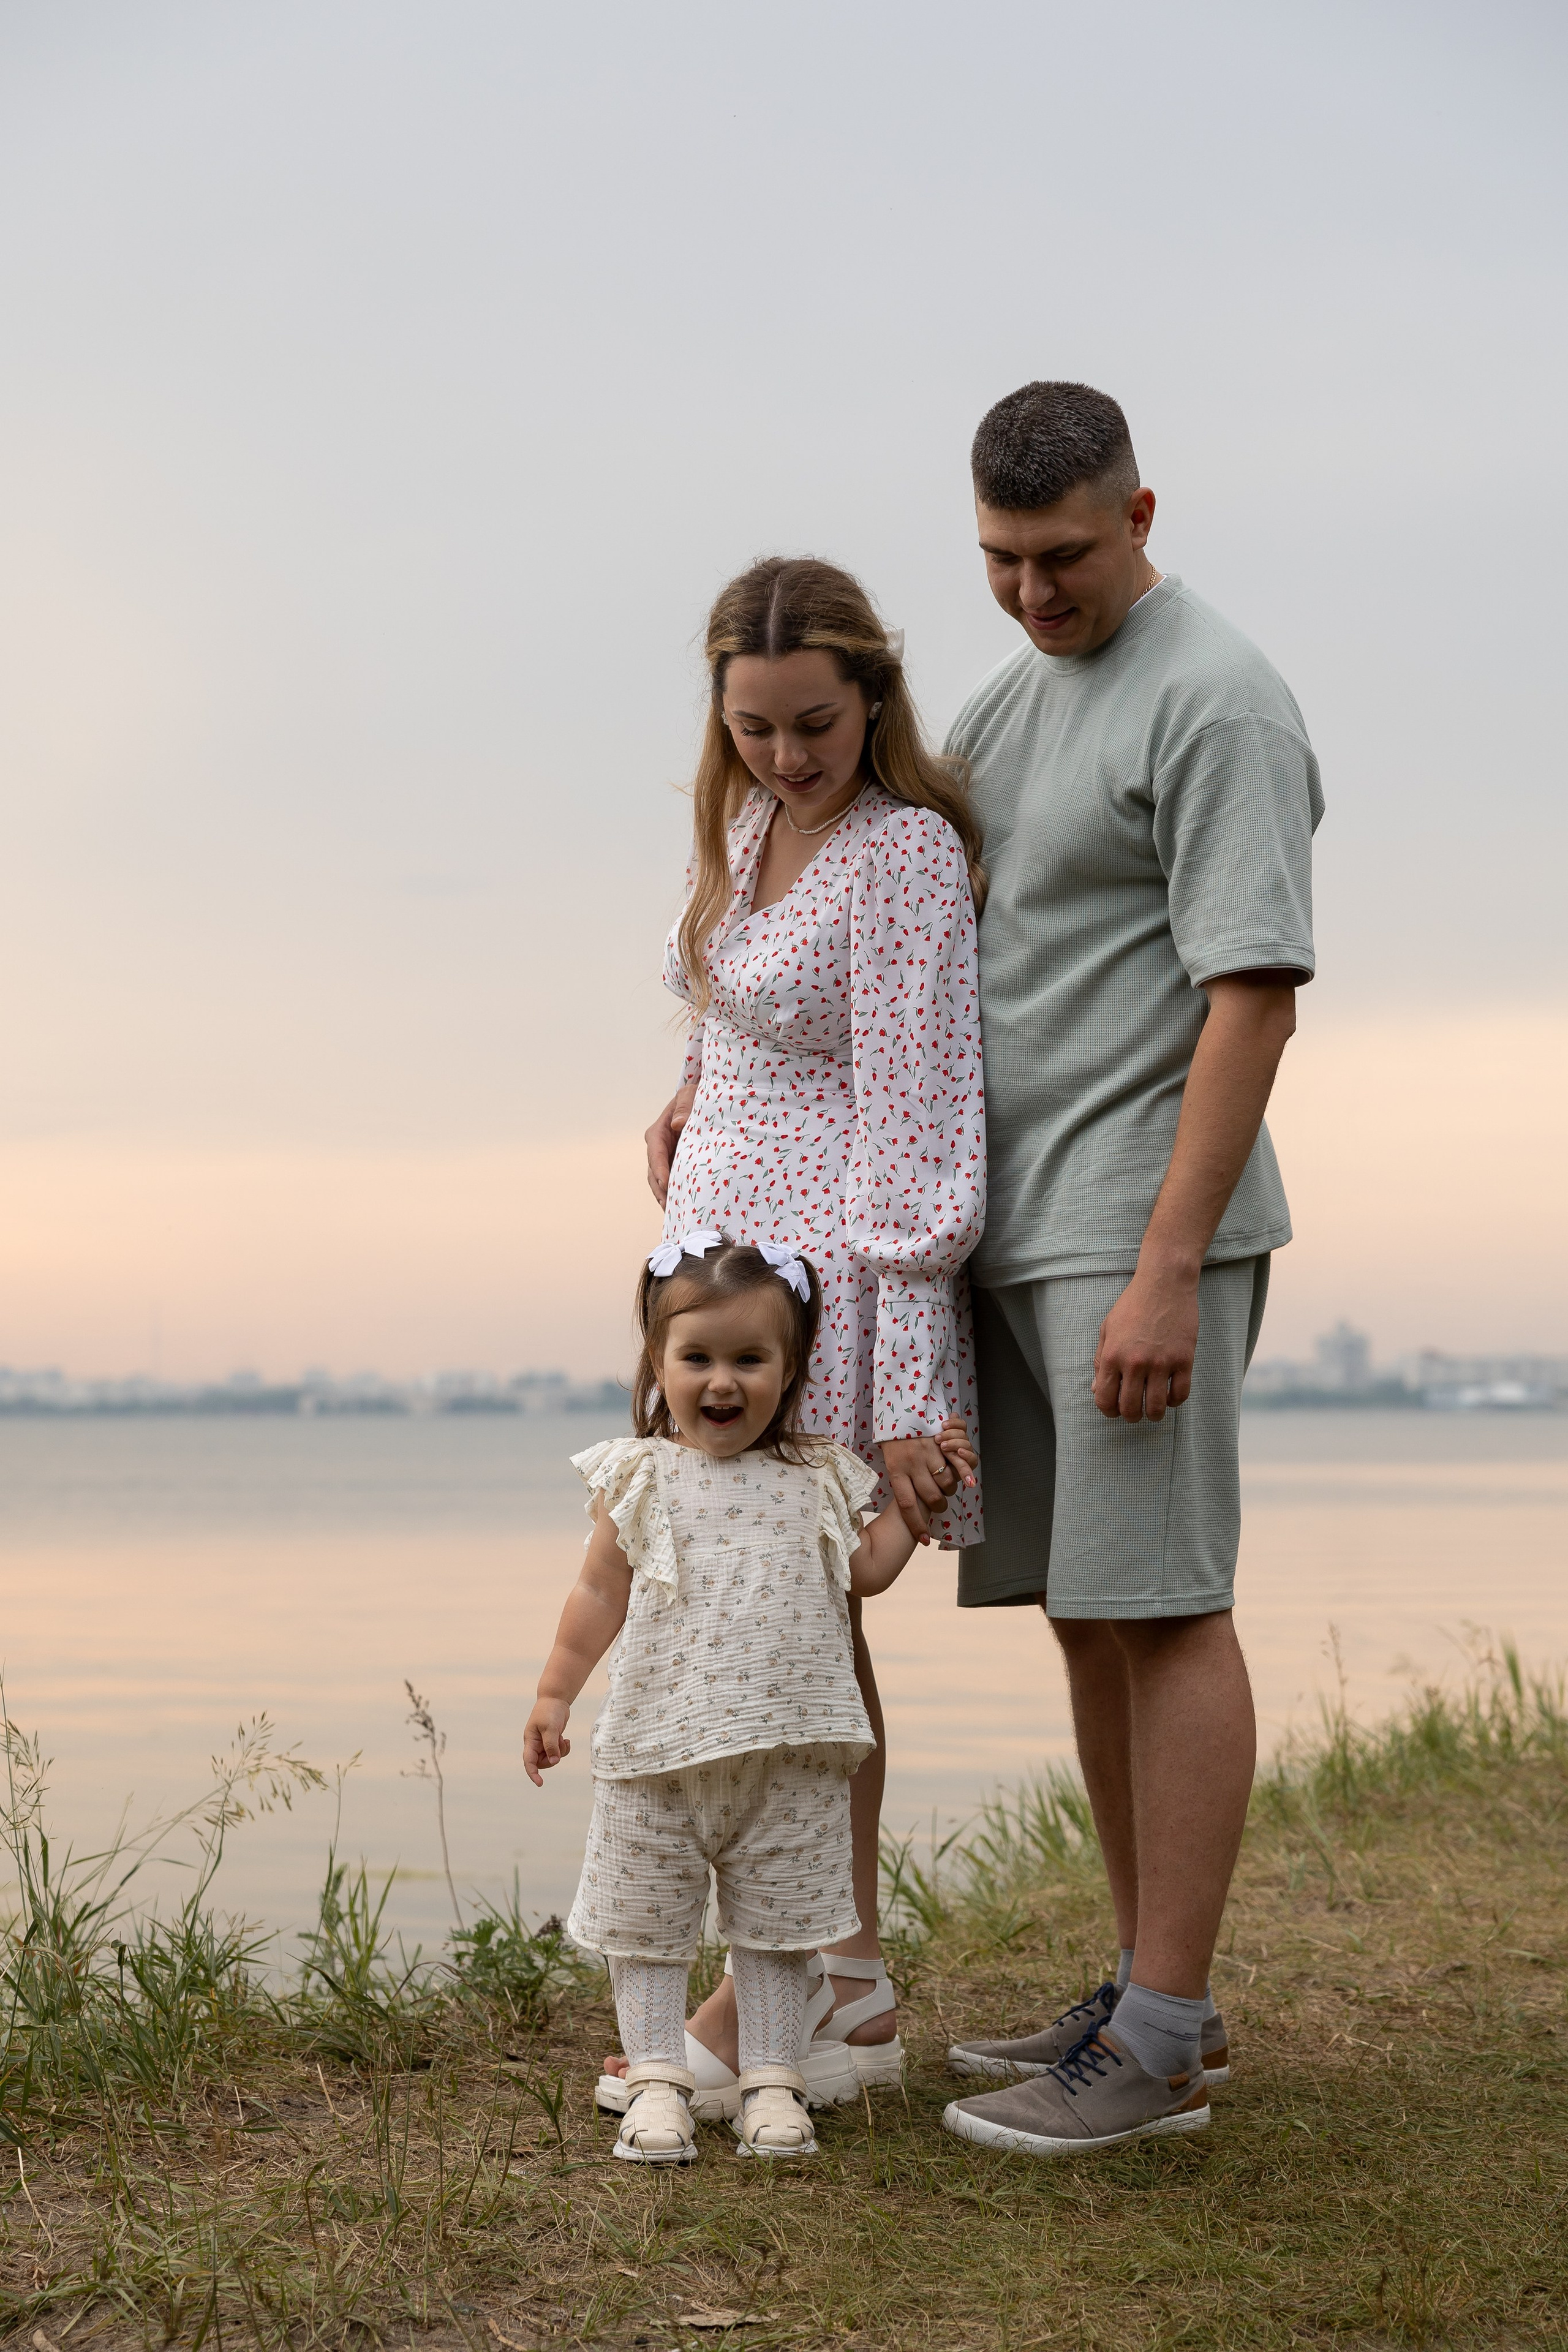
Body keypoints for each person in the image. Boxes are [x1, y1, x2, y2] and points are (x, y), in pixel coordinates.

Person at [940, 382, 1323, 2158]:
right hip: (1018, 1226)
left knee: (1165, 1602)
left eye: (1065, 556)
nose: (1033, 592)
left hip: (1138, 1220)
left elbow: (1252, 989)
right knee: (1092, 1607)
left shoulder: (1220, 697)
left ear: (1144, 512)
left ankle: (1161, 2037)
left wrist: (1169, 1266)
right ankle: (1150, 1992)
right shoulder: (1008, 705)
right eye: (1005, 561)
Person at [614, 556, 987, 2109]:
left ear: (874, 697)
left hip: (826, 1297)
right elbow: (749, 1007)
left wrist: (906, 1404)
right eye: (755, 726)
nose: (786, 753)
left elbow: (912, 1121)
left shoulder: (900, 855)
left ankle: (831, 1980)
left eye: (815, 722)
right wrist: (700, 1086)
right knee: (757, 1633)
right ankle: (831, 1981)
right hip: (717, 1283)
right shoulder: (756, 831)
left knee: (803, 1635)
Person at [524, 1234, 974, 2163]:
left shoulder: (814, 1477)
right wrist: (553, 1696)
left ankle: (775, 2080)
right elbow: (598, 1594)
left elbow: (867, 1574)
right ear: (659, 1366)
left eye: (748, 1359)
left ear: (790, 1369)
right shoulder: (641, 1474)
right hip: (660, 1753)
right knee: (648, 1925)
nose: (720, 1381)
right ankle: (657, 2079)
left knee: (779, 1926)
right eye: (697, 1358)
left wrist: (920, 1498)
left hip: (787, 1753)